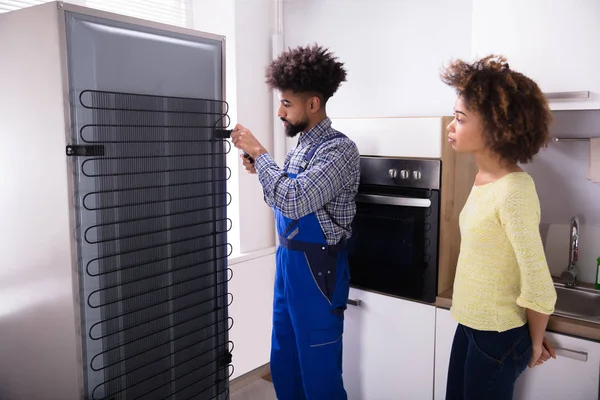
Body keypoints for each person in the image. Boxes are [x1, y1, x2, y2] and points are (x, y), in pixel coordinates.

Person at [231, 44, 360, 399]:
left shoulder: (339, 150)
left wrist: (261, 154)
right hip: (288, 265)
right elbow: (280, 198)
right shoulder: (301, 147)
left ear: (313, 103)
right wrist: (264, 171)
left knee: (320, 376)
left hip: (319, 271)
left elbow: (294, 198)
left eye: (286, 103)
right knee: (285, 364)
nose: (279, 112)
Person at [440, 54, 558, 400]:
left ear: (494, 127)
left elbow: (538, 284)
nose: (450, 125)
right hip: (470, 325)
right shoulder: (483, 179)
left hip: (497, 336)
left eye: (459, 119)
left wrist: (532, 344)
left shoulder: (514, 191)